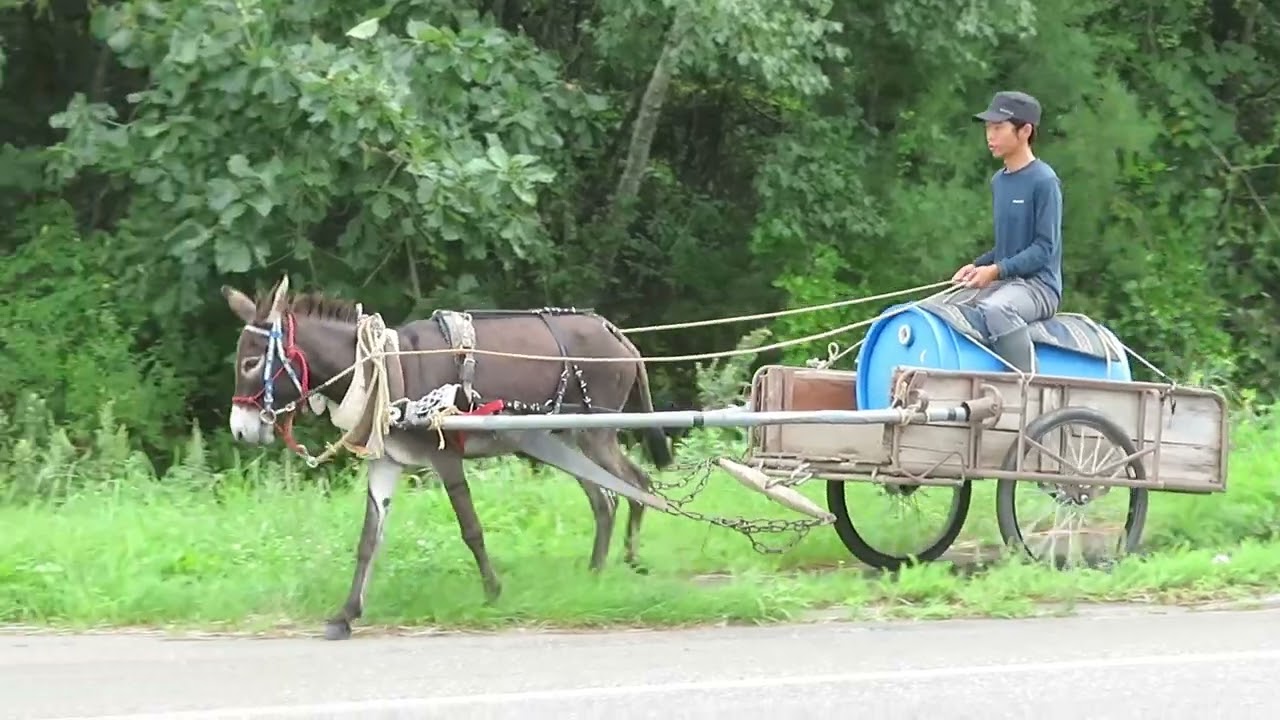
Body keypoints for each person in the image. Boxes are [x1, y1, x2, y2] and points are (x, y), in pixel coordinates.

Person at [950, 90, 1063, 373]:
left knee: (998, 309)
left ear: (1025, 131)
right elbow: (1007, 248)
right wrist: (977, 266)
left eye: (998, 128)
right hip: (1006, 281)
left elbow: (1043, 249)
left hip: (1039, 287)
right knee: (946, 303)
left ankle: (1028, 383)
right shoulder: (999, 181)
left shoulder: (1045, 181)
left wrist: (995, 271)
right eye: (988, 128)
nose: (990, 136)